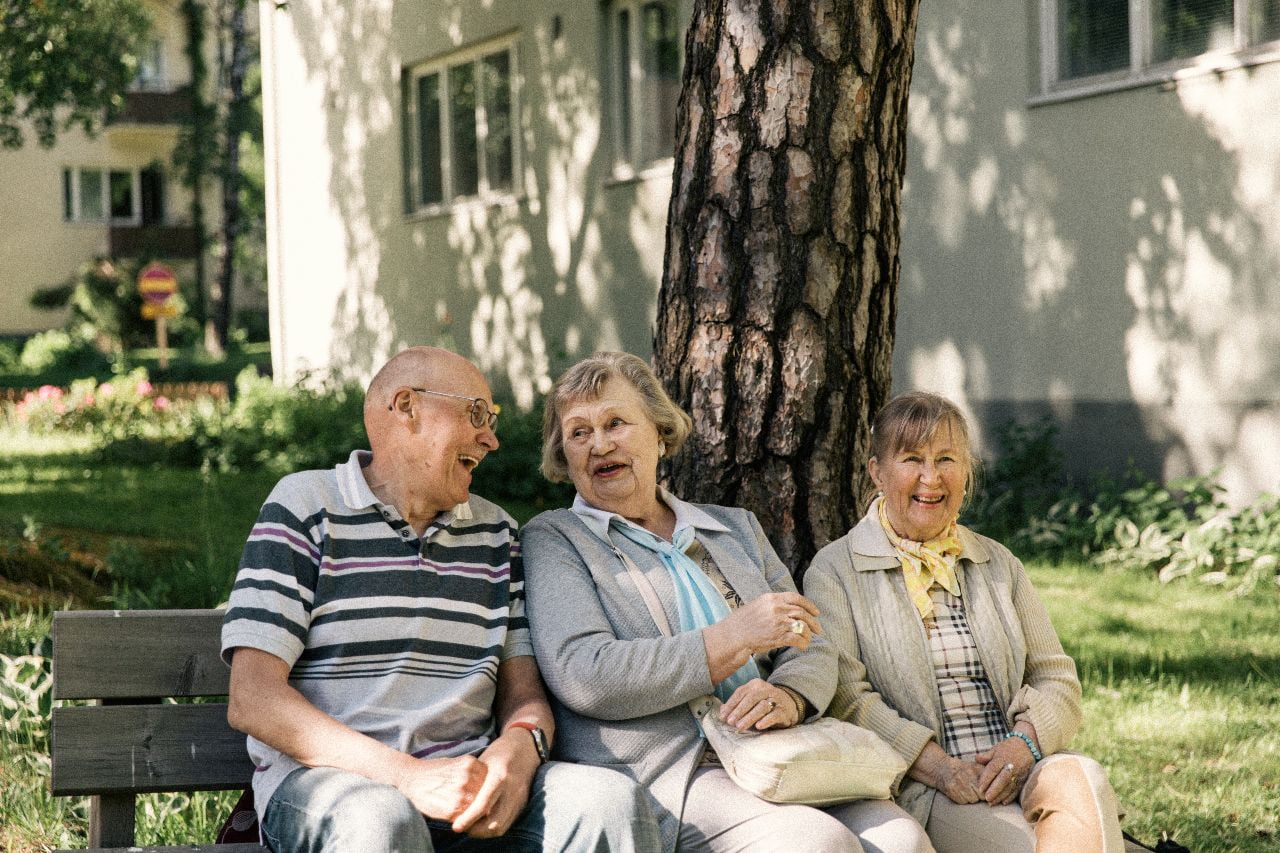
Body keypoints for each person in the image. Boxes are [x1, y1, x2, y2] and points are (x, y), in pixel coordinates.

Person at [220, 346, 661, 853]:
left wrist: (517, 755)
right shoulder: (305, 507)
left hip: (467, 789)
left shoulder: (496, 534)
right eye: (477, 413)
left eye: (491, 420)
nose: (491, 439)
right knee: (381, 819)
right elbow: (253, 699)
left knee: (608, 801)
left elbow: (524, 696)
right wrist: (408, 778)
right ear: (407, 406)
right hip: (330, 787)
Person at [521, 352, 933, 853]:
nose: (600, 444)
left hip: (781, 754)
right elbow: (585, 672)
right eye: (579, 433)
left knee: (903, 840)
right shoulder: (556, 539)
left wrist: (790, 697)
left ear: (659, 432)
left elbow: (810, 640)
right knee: (813, 844)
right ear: (563, 455)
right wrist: (730, 639)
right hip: (674, 771)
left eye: (616, 423)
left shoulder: (733, 527)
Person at [803, 391, 1125, 853]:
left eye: (946, 459)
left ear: (967, 469)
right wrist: (941, 768)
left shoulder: (998, 563)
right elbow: (846, 698)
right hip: (931, 787)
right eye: (912, 459)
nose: (931, 478)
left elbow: (1056, 679)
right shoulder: (835, 571)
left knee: (1085, 778)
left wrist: (1021, 748)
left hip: (1022, 763)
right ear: (876, 471)